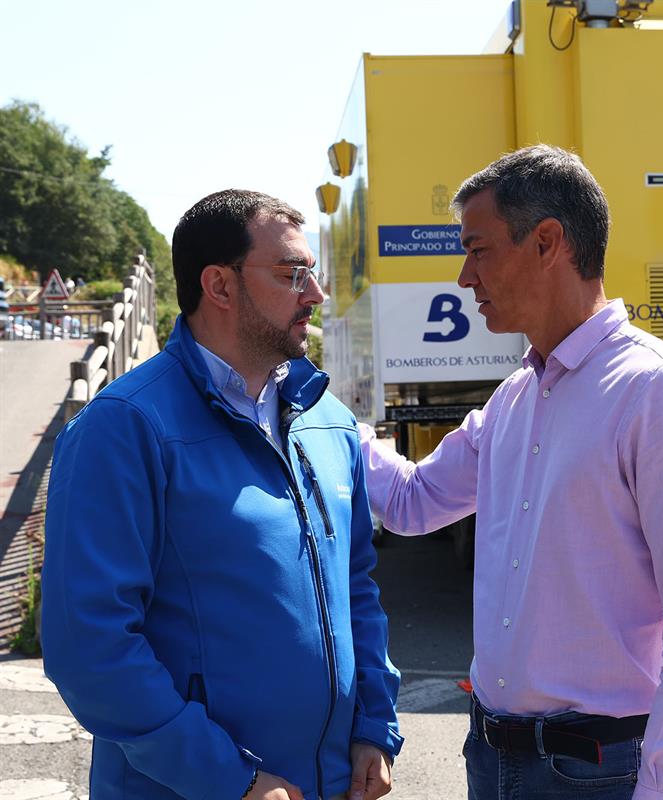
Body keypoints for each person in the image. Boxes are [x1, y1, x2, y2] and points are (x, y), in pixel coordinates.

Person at [361, 145, 663, 800]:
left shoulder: (655, 390)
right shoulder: (514, 398)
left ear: (547, 242)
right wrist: (318, 416)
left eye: (478, 250)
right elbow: (411, 501)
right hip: (495, 758)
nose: (464, 277)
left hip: (600, 772)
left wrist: (662, 792)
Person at [41, 190, 402, 800]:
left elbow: (356, 586)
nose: (314, 294)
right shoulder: (123, 427)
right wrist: (227, 779)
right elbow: (90, 644)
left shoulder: (329, 421)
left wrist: (373, 726)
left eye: (311, 274)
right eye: (292, 275)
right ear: (220, 285)